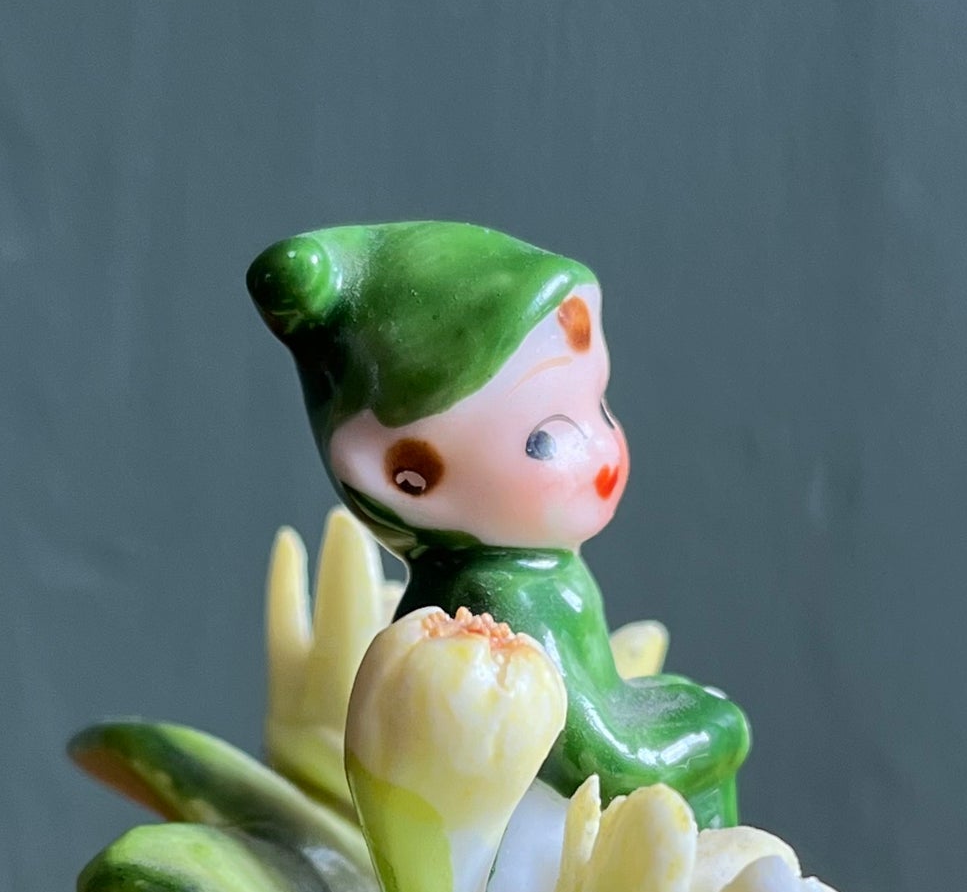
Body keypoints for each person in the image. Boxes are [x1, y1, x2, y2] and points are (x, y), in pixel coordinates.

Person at [248, 221, 750, 829]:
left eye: (599, 407)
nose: (601, 454)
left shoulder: (521, 576)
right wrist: (711, 733)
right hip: (516, 860)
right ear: (408, 478)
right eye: (546, 440)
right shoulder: (501, 597)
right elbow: (582, 754)